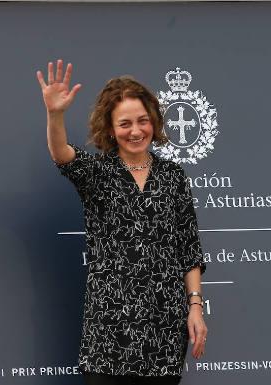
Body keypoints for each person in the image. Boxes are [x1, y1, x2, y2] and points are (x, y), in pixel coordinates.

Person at [36, 60, 207, 385]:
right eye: (125, 123)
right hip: (108, 332)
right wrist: (55, 114)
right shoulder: (98, 173)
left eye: (142, 121)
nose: (136, 130)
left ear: (153, 122)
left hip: (164, 331)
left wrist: (195, 307)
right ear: (111, 129)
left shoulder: (173, 177)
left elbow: (189, 248)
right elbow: (61, 153)